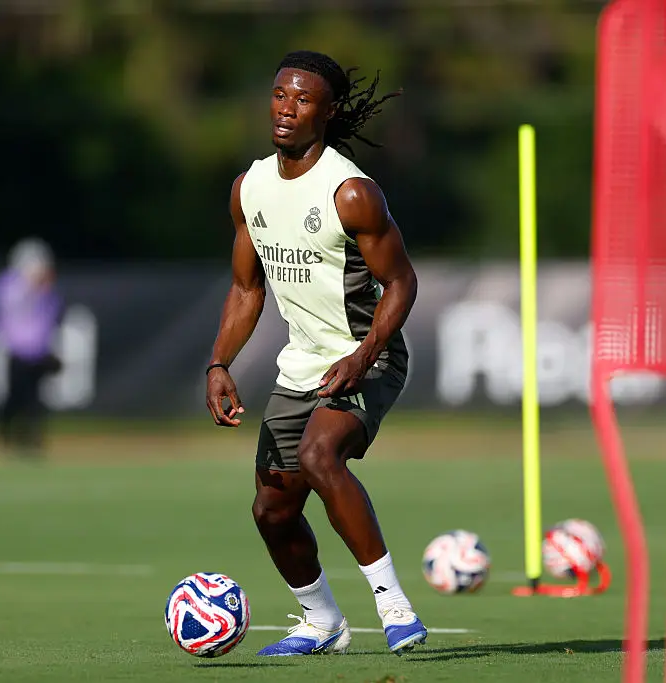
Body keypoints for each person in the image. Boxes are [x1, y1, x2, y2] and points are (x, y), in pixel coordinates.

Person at [205, 50, 425, 657]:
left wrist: (365, 353)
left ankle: (394, 606)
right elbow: (248, 289)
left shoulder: (350, 192)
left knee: (319, 455)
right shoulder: (249, 188)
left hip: (369, 358)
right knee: (271, 510)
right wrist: (220, 362)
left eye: (302, 100)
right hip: (301, 366)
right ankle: (322, 622)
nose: (286, 109)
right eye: (280, 95)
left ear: (326, 113)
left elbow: (402, 283)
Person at [0, 238, 63, 457]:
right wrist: (32, 286)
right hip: (16, 350)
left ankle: (32, 439)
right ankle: (6, 434)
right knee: (16, 396)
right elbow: (9, 306)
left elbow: (48, 318)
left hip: (37, 351)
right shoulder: (7, 284)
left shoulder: (47, 292)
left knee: (35, 398)